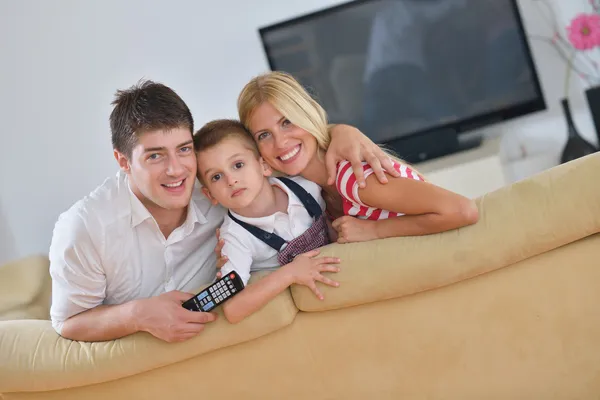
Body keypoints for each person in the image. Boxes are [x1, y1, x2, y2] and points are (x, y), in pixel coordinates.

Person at [49, 79, 400, 342]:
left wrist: (342, 132)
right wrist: (136, 315)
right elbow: (67, 323)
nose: (176, 170)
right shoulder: (85, 228)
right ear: (123, 161)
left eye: (183, 149)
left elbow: (280, 147)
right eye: (155, 155)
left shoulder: (217, 184)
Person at [236, 71, 480, 245]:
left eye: (287, 122)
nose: (280, 143)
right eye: (264, 135)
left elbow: (462, 210)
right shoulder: (313, 195)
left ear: (307, 114)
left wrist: (374, 230)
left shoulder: (354, 177)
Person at [194, 119, 341, 324]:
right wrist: (290, 273)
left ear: (263, 165)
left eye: (238, 165)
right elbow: (233, 309)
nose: (231, 180)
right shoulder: (234, 238)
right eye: (217, 176)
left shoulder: (306, 187)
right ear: (210, 195)